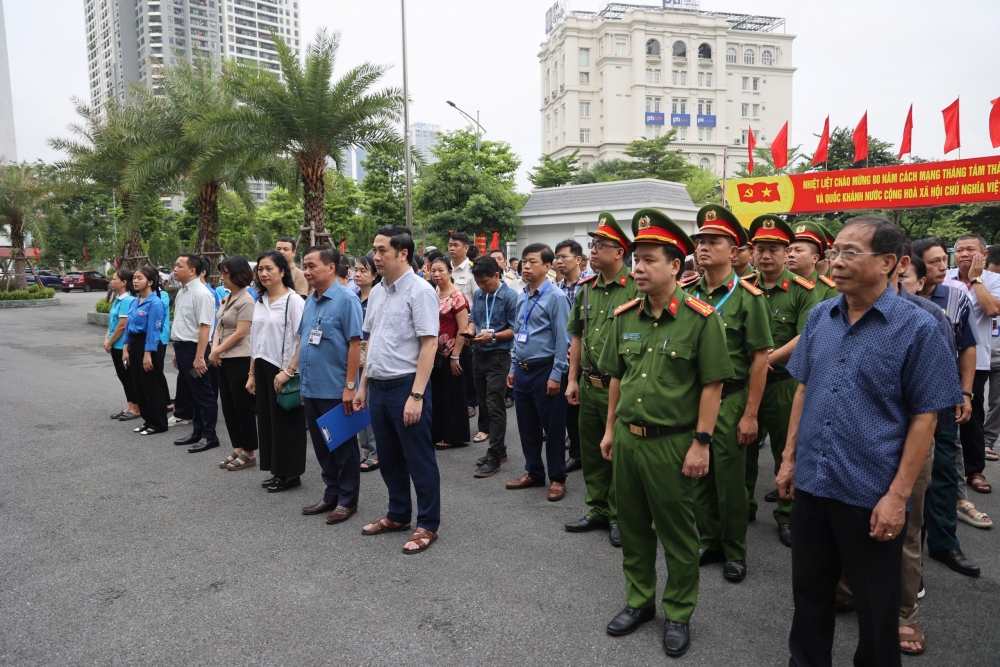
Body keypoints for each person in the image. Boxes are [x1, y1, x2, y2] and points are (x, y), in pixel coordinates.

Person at [777, 215, 960, 667]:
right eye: (834, 251)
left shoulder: (918, 328)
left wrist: (897, 497)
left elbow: (925, 418)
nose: (835, 262)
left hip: (870, 490)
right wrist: (788, 459)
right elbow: (803, 388)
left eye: (849, 253)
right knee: (810, 597)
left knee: (877, 610)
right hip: (814, 483)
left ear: (890, 263)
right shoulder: (822, 315)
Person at [598, 208, 733, 658]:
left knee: (677, 534)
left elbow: (713, 385)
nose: (637, 268)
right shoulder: (625, 316)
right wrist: (610, 430)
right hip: (630, 439)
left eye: (649, 259)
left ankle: (678, 611)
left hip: (674, 443)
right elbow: (617, 376)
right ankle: (639, 602)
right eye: (635, 259)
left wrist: (702, 443)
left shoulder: (701, 318)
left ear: (675, 265)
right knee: (633, 528)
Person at [686, 205, 773, 583]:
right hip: (693, 398)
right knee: (698, 475)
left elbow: (759, 361)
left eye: (714, 241)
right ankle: (711, 540)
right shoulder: (686, 292)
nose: (704, 247)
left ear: (735, 250)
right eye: (700, 241)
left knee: (731, 482)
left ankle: (735, 550)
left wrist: (750, 413)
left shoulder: (748, 298)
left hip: (732, 397)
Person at [354, 225, 441, 555]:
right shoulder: (377, 291)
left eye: (382, 251)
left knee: (418, 459)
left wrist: (417, 395)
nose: (375, 257)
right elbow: (371, 340)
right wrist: (363, 385)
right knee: (389, 459)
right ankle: (398, 514)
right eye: (374, 250)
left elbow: (429, 344)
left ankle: (428, 524)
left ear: (403, 253)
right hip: (378, 387)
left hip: (407, 385)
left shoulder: (419, 290)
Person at [911, 239, 989, 560]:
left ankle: (945, 544)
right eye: (934, 262)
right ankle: (906, 547)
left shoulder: (957, 296)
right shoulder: (894, 299)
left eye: (945, 260)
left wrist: (966, 393)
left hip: (943, 400)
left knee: (943, 473)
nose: (944, 267)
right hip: (906, 404)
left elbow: (967, 347)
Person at [745, 215, 819, 546]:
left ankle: (787, 515)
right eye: (760, 249)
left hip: (783, 384)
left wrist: (763, 361)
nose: (766, 256)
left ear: (785, 251)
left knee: (785, 450)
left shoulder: (804, 291)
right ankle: (743, 506)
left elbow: (806, 337)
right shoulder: (745, 287)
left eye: (773, 249)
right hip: (747, 388)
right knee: (743, 447)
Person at [564, 213, 637, 547]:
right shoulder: (586, 288)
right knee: (593, 452)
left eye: (601, 246)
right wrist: (572, 380)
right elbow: (577, 336)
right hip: (590, 386)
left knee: (618, 454)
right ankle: (597, 508)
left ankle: (620, 515)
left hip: (620, 386)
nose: (592, 251)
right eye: (592, 245)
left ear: (619, 251)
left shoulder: (636, 287)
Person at [295, 245, 364, 524]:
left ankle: (347, 500)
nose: (307, 271)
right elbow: (304, 340)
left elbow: (355, 344)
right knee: (322, 446)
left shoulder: (347, 300)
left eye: (312, 266)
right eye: (305, 266)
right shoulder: (311, 300)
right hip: (312, 386)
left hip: (336, 389)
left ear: (331, 267)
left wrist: (350, 386)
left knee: (343, 448)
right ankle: (331, 493)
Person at [506, 243, 571, 502]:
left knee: (553, 428)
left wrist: (557, 374)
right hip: (522, 371)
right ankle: (534, 471)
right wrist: (513, 368)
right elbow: (518, 337)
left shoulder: (556, 297)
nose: (526, 266)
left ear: (548, 266)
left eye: (533, 262)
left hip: (545, 370)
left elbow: (562, 340)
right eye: (524, 262)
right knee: (527, 425)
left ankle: (557, 477)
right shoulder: (521, 296)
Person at [248, 249, 307, 493]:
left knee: (287, 421)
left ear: (283, 271)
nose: (264, 273)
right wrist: (252, 374)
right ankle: (277, 470)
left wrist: (289, 370)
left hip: (283, 367)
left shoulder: (293, 301)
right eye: (260, 269)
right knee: (269, 421)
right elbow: (255, 339)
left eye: (269, 268)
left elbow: (303, 339)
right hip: (262, 365)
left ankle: (291, 474)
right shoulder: (260, 300)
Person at [945, 234, 1000, 494]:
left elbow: (992, 309)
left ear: (984, 254)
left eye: (970, 249)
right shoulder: (945, 277)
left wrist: (976, 279)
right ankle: (944, 469)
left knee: (972, 416)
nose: (964, 254)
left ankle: (975, 470)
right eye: (959, 250)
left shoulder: (994, 280)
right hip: (943, 359)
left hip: (976, 361)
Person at [467, 256, 519, 477]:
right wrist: (470, 332)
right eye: (478, 282)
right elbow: (473, 318)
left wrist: (493, 336)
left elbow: (515, 328)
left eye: (485, 281)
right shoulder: (479, 295)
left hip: (498, 357)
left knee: (495, 404)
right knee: (484, 404)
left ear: (497, 275)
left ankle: (494, 456)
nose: (481, 286)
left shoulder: (510, 297)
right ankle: (501, 449)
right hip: (478, 354)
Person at [209, 255, 258, 471]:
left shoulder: (247, 300)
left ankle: (249, 451)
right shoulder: (228, 298)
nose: (222, 278)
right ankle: (238, 447)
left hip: (238, 358)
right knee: (228, 406)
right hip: (222, 357)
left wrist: (217, 350)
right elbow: (220, 326)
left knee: (242, 407)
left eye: (225, 274)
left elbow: (240, 333)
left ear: (238, 275)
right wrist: (214, 349)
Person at [170, 254, 220, 454]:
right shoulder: (183, 292)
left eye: (179, 265)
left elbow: (205, 327)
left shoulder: (201, 293)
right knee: (191, 392)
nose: (174, 268)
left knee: (203, 393)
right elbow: (184, 323)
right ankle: (197, 431)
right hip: (183, 349)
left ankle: (210, 435)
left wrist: (199, 357)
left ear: (192, 270)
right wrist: (177, 351)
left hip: (195, 350)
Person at [554, 238, 593, 473]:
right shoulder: (555, 289)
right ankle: (576, 453)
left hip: (587, 356)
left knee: (589, 409)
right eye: (556, 258)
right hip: (563, 357)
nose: (558, 262)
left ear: (578, 259)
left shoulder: (591, 285)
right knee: (569, 408)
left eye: (563, 257)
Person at [427, 255, 472, 449]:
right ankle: (437, 432)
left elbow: (463, 329)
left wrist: (455, 356)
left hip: (452, 351)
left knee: (452, 394)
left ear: (450, 272)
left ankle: (453, 435)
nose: (436, 274)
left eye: (441, 270)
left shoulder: (458, 296)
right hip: (433, 353)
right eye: (433, 270)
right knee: (437, 394)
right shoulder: (433, 293)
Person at [122, 267, 169, 436]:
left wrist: (148, 354)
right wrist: (125, 349)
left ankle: (159, 423)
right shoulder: (135, 301)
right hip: (134, 344)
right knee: (139, 385)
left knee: (151, 386)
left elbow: (153, 331)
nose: (135, 281)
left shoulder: (155, 303)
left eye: (139, 278)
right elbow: (128, 327)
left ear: (150, 282)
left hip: (148, 345)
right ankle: (147, 420)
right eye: (134, 278)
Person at [354, 254, 380, 472]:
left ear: (374, 275)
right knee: (357, 403)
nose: (358, 274)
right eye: (356, 270)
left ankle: (375, 452)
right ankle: (364, 450)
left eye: (363, 270)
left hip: (371, 355)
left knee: (369, 402)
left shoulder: (378, 297)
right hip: (353, 356)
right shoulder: (352, 297)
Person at [105, 269, 140, 422]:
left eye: (114, 279)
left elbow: (122, 325)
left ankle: (136, 408)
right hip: (114, 344)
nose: (112, 282)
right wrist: (107, 339)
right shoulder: (118, 299)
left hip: (122, 345)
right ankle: (129, 406)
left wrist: (111, 341)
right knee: (123, 376)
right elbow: (112, 324)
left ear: (124, 282)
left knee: (129, 377)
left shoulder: (128, 300)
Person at [788, 222, 839, 301]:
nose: (790, 255)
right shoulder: (777, 284)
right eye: (789, 250)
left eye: (798, 250)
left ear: (815, 258)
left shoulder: (829, 290)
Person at [983, 245, 1000, 464]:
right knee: (971, 403)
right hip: (975, 355)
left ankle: (988, 441)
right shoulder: (978, 284)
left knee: (998, 402)